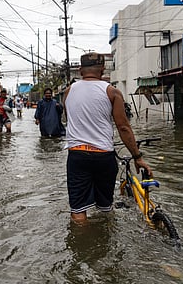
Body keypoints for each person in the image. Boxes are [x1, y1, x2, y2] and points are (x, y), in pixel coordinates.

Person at [63, 52, 152, 225]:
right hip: (103, 156)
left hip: (77, 156)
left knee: (78, 211)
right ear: (103, 70)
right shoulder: (112, 92)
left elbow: (69, 118)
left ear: (80, 71)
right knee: (105, 207)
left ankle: (85, 246)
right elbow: (123, 127)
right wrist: (137, 157)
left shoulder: (68, 92)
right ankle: (105, 238)